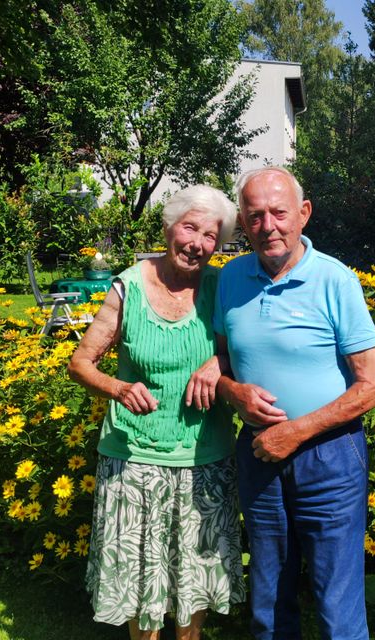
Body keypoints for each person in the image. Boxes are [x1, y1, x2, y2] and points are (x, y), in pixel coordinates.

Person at [213, 167, 375, 640]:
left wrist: (296, 431)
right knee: (269, 594)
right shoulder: (230, 279)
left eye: (279, 212)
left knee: (337, 598)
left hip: (329, 456)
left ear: (303, 214)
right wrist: (233, 391)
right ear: (243, 224)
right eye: (255, 216)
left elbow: (374, 384)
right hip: (259, 453)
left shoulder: (335, 280)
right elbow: (219, 359)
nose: (268, 225)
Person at [68, 184, 245, 640]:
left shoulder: (221, 287)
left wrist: (218, 361)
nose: (197, 243)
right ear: (169, 227)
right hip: (134, 459)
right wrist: (119, 387)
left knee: (195, 579)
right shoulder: (129, 285)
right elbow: (80, 362)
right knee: (140, 584)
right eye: (189, 228)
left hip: (203, 458)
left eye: (210, 236)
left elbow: (245, 350)